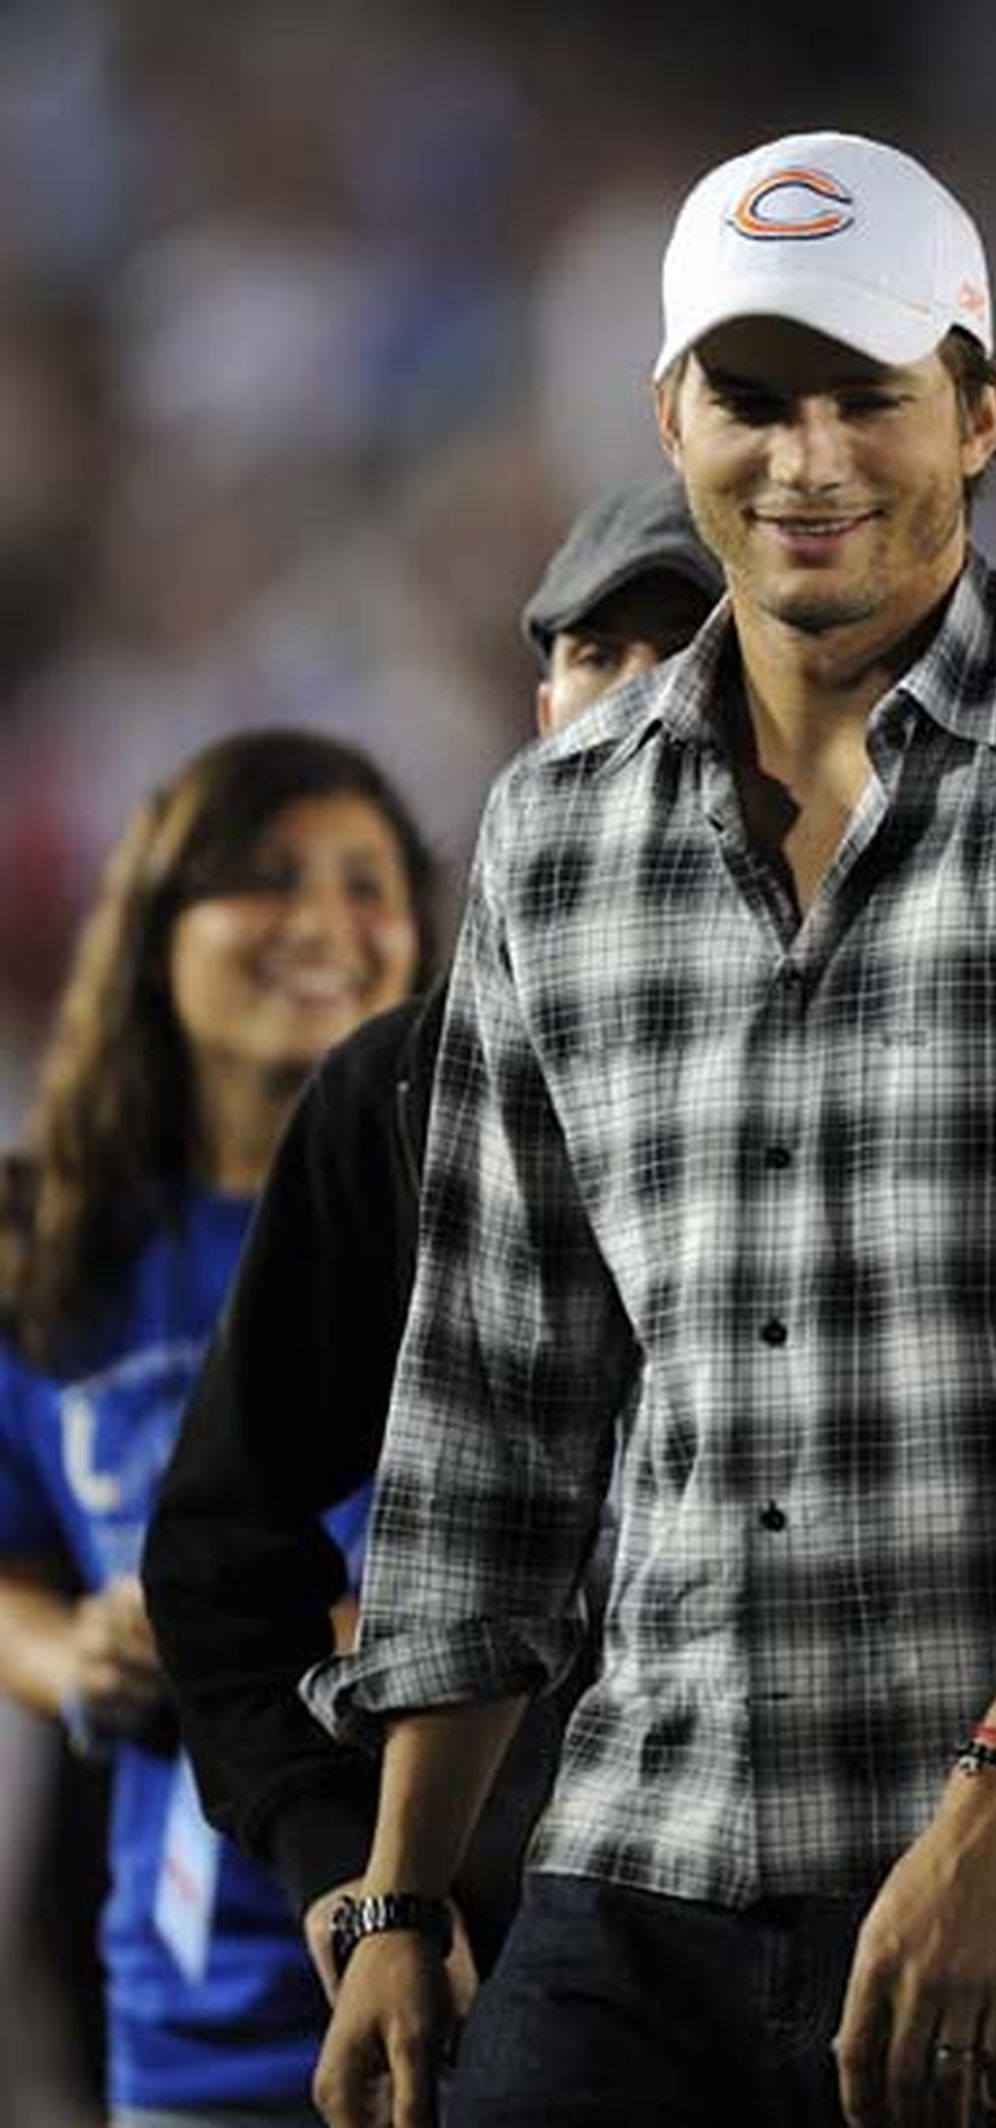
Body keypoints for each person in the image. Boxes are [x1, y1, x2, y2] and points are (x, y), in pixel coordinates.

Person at [307, 129, 996, 2128]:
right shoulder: (552, 828)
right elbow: (486, 1407)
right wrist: (402, 1889)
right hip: (649, 1855)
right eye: (753, 397)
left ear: (978, 414)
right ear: (668, 412)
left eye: (866, 397)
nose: (808, 459)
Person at [143, 477, 723, 1998]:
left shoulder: (932, 1055)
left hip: (861, 1917)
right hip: (508, 1947)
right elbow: (222, 1551)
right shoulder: (395, 1098)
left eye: (692, 647)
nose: (643, 694)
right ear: (544, 708)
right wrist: (349, 1875)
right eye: (603, 655)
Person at [0, 727, 436, 2127]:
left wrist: (370, 1642)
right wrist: (77, 1653)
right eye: (262, 877)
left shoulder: (489, 1223)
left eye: (368, 885)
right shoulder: (49, 1249)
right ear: (152, 925)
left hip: (466, 1952)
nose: (322, 923)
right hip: (180, 1994)